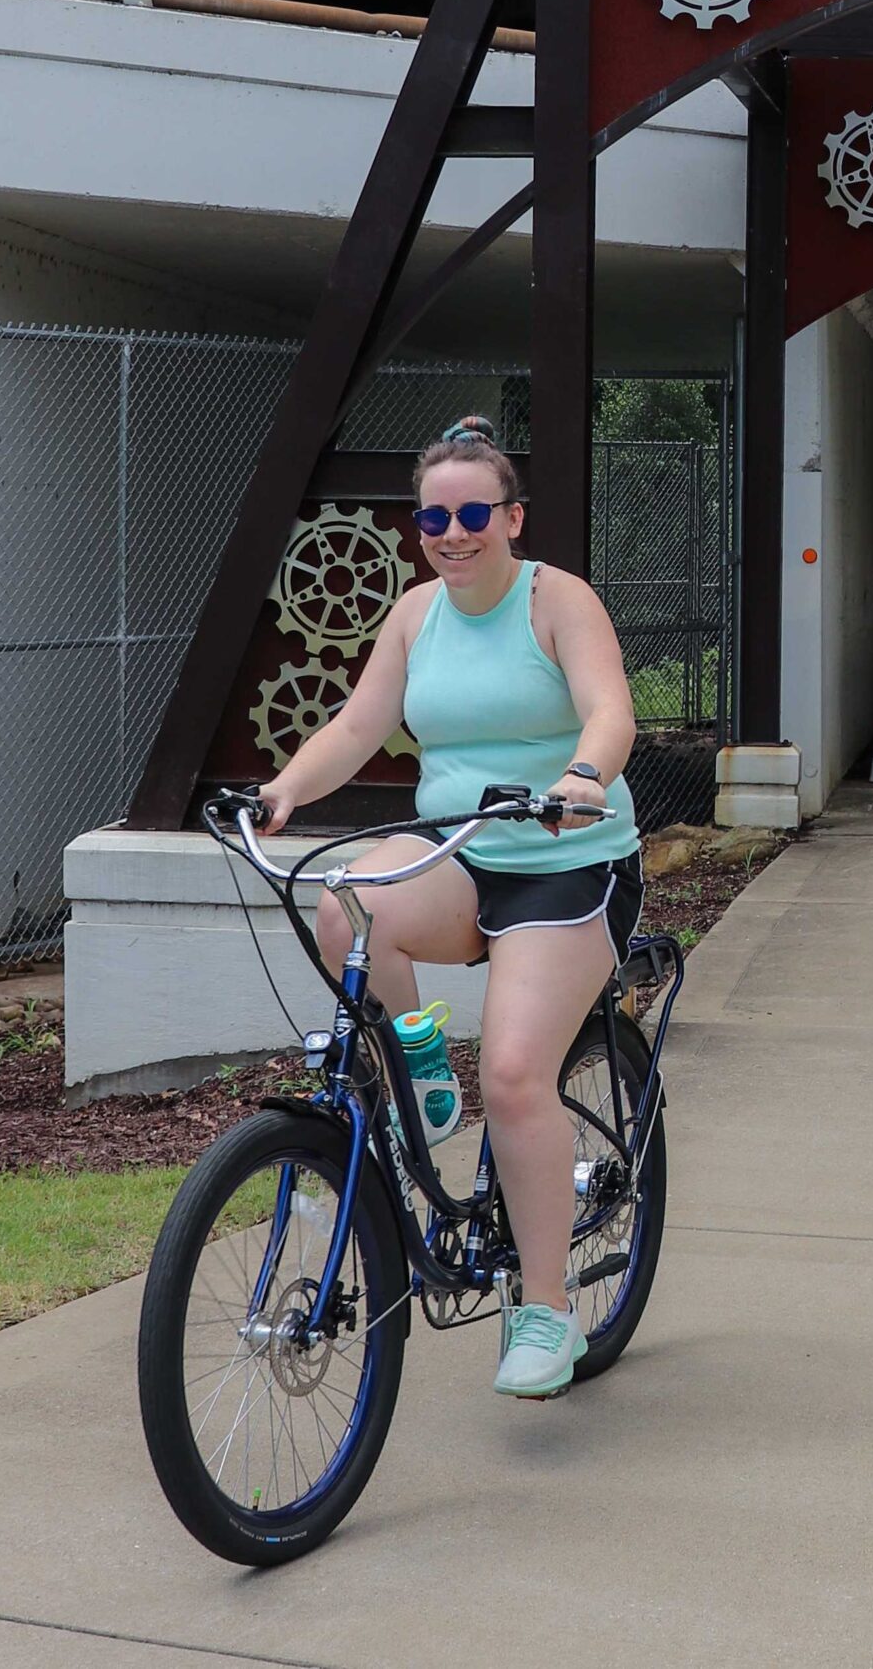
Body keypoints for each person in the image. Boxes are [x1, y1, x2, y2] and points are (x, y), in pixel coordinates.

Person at [255, 416, 642, 1399]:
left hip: (565, 856)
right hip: (460, 851)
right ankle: (420, 1060)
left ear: (512, 516)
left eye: (475, 511)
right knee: (344, 900)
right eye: (435, 514)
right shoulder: (416, 613)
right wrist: (283, 789)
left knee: (515, 1074)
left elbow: (610, 710)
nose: (453, 530)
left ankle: (546, 1307)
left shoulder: (558, 600)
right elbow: (357, 724)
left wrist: (584, 774)